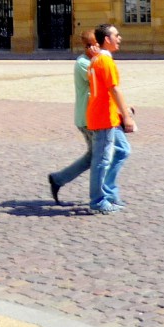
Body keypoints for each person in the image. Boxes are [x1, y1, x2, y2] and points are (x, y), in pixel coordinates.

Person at [86, 24, 136, 215]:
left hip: (108, 114)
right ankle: (98, 200)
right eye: (116, 35)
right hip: (103, 116)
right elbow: (113, 89)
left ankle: (108, 191)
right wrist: (127, 116)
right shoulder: (104, 61)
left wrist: (122, 109)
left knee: (123, 150)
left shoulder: (98, 59)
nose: (120, 38)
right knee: (102, 160)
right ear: (107, 39)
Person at [47, 29, 99, 204]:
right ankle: (101, 196)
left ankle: (58, 179)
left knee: (95, 155)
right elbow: (102, 81)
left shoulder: (92, 61)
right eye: (93, 44)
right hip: (87, 118)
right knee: (102, 156)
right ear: (87, 46)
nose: (97, 48)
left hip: (92, 116)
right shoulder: (84, 63)